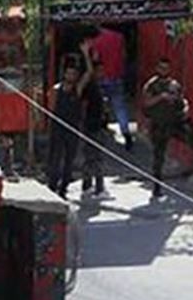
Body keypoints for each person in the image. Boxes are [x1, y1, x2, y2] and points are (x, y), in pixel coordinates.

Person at [49, 42, 93, 199]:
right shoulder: (56, 89)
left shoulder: (77, 89)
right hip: (58, 128)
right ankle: (52, 186)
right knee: (55, 159)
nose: (71, 77)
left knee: (69, 160)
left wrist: (86, 54)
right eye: (68, 74)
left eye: (73, 74)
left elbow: (89, 73)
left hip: (72, 129)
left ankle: (64, 188)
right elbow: (51, 109)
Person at [141, 57, 189, 199]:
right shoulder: (151, 85)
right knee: (158, 155)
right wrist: (161, 97)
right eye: (161, 68)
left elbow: (182, 100)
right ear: (157, 68)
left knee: (192, 140)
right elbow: (146, 103)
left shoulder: (174, 84)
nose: (164, 70)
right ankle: (157, 186)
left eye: (166, 68)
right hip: (158, 124)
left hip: (174, 122)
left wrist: (185, 108)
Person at [91, 25, 133, 148]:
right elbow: (124, 56)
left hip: (102, 76)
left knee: (101, 103)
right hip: (116, 76)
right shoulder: (119, 37)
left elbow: (95, 58)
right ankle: (126, 132)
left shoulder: (97, 41)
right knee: (119, 106)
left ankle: (101, 127)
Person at [80, 58, 108, 198]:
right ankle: (99, 188)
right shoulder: (91, 87)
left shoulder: (99, 86)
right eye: (99, 71)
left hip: (98, 125)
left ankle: (88, 185)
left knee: (91, 157)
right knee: (96, 158)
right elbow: (84, 106)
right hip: (92, 125)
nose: (102, 73)